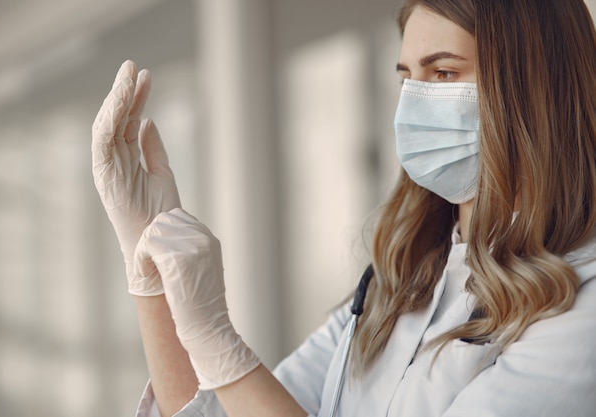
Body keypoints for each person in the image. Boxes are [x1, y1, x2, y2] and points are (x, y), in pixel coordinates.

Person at [91, 0, 596, 416]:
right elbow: (240, 408)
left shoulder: (581, 315)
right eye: (407, 79)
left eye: (443, 72)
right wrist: (153, 267)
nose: (415, 105)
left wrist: (217, 340)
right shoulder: (396, 280)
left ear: (533, 90)